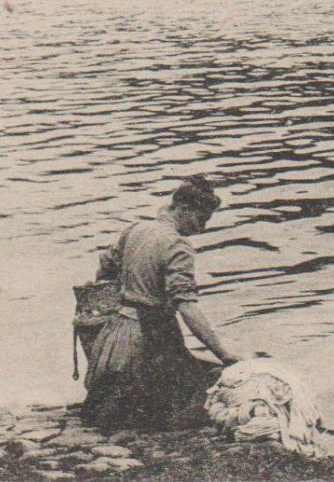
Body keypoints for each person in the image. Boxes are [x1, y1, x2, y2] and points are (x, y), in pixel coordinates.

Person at [82, 177, 241, 431]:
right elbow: (186, 306)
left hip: (117, 332)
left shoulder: (136, 229)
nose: (202, 229)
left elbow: (105, 269)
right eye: (201, 219)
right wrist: (222, 353)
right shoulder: (178, 246)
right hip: (151, 336)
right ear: (184, 209)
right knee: (192, 400)